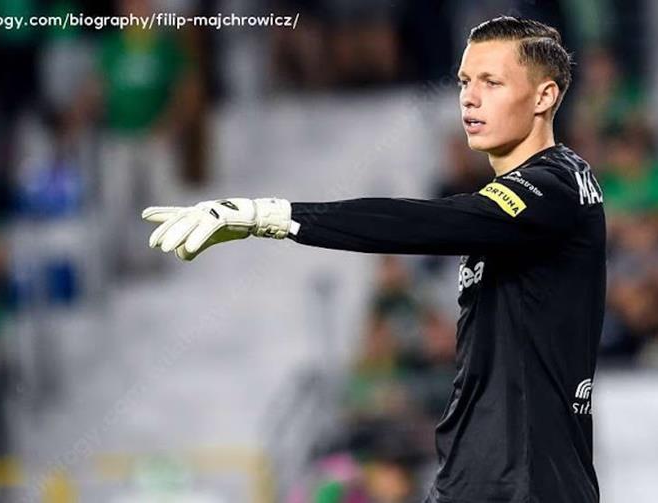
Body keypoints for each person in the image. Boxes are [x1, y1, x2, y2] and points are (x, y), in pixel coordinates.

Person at [143, 16, 605, 503]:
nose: (470, 98)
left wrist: (274, 215)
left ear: (544, 96)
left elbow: (424, 223)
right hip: (481, 478)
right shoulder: (528, 202)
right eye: (465, 82)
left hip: (523, 485)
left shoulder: (552, 187)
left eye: (491, 82)